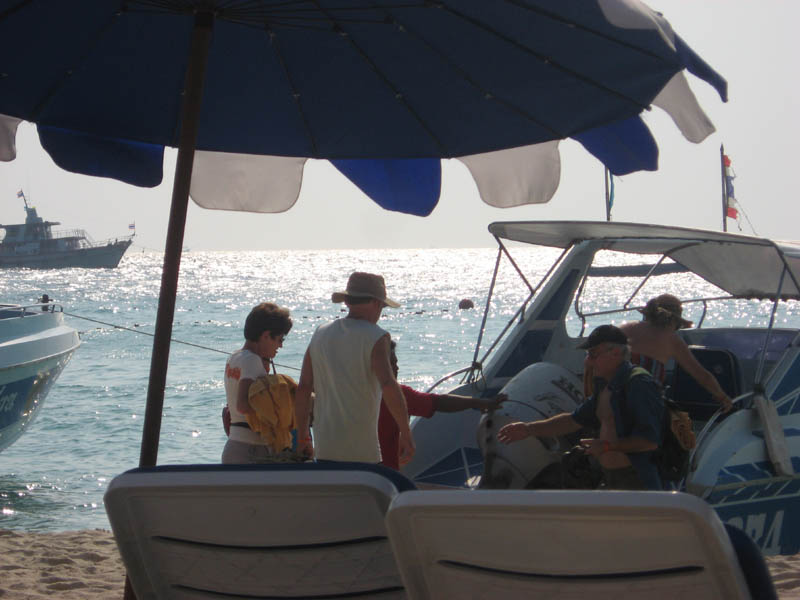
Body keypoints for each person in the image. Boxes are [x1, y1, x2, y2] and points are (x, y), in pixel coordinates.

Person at [497, 325, 664, 490]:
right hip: (611, 478)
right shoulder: (605, 387)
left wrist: (606, 446)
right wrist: (528, 429)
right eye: (587, 354)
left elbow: (649, 442)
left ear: (615, 353)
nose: (587, 361)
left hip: (638, 482)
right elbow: (573, 420)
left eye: (593, 354)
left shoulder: (639, 385)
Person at [295, 272, 414, 464]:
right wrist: (405, 433)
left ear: (347, 301)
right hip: (363, 452)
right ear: (376, 303)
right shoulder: (376, 336)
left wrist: (303, 437)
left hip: (325, 448)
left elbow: (304, 387)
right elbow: (388, 384)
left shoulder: (320, 332)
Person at [378, 340, 507, 470]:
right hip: (384, 473)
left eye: (396, 363)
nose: (397, 368)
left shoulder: (366, 393)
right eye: (392, 364)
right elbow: (440, 403)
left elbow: (437, 402)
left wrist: (478, 403)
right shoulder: (399, 395)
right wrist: (480, 403)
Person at [620, 294, 732, 412]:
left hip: (614, 395)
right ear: (674, 321)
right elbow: (701, 375)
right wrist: (722, 397)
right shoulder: (672, 340)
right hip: (644, 403)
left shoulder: (626, 328)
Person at [221, 302, 292, 464]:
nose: (280, 345)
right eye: (279, 339)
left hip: (234, 445)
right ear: (266, 336)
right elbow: (243, 405)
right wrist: (279, 409)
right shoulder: (252, 360)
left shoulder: (235, 357)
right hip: (252, 448)